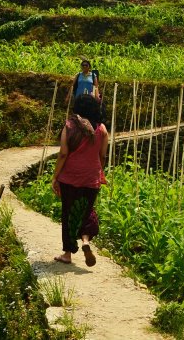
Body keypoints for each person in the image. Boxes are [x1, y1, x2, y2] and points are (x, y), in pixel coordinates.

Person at [51, 94, 108, 266]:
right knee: (87, 210)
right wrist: (98, 170)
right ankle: (85, 241)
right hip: (91, 178)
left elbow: (63, 153)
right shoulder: (102, 129)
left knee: (69, 212)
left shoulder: (69, 126)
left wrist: (55, 177)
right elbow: (103, 155)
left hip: (70, 177)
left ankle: (67, 254)